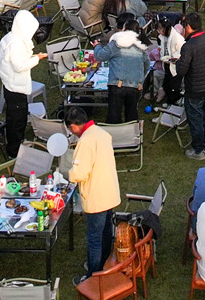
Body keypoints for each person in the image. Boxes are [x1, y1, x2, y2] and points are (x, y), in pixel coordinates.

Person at [64, 105, 121, 280]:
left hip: (96, 197)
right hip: (110, 191)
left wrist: (69, 175)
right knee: (106, 233)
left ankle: (92, 277)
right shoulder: (102, 133)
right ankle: (104, 266)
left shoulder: (85, 141)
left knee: (94, 239)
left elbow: (80, 173)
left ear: (73, 126)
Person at [0, 10, 46, 157]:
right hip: (16, 87)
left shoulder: (9, 37)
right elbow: (19, 66)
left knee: (14, 115)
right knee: (17, 119)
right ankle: (14, 151)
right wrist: (37, 59)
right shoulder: (16, 44)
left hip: (9, 84)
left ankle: (16, 143)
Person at [177, 12, 205, 159]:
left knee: (195, 120)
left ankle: (198, 150)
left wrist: (178, 61)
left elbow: (181, 71)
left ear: (188, 27)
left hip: (195, 89)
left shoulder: (188, 46)